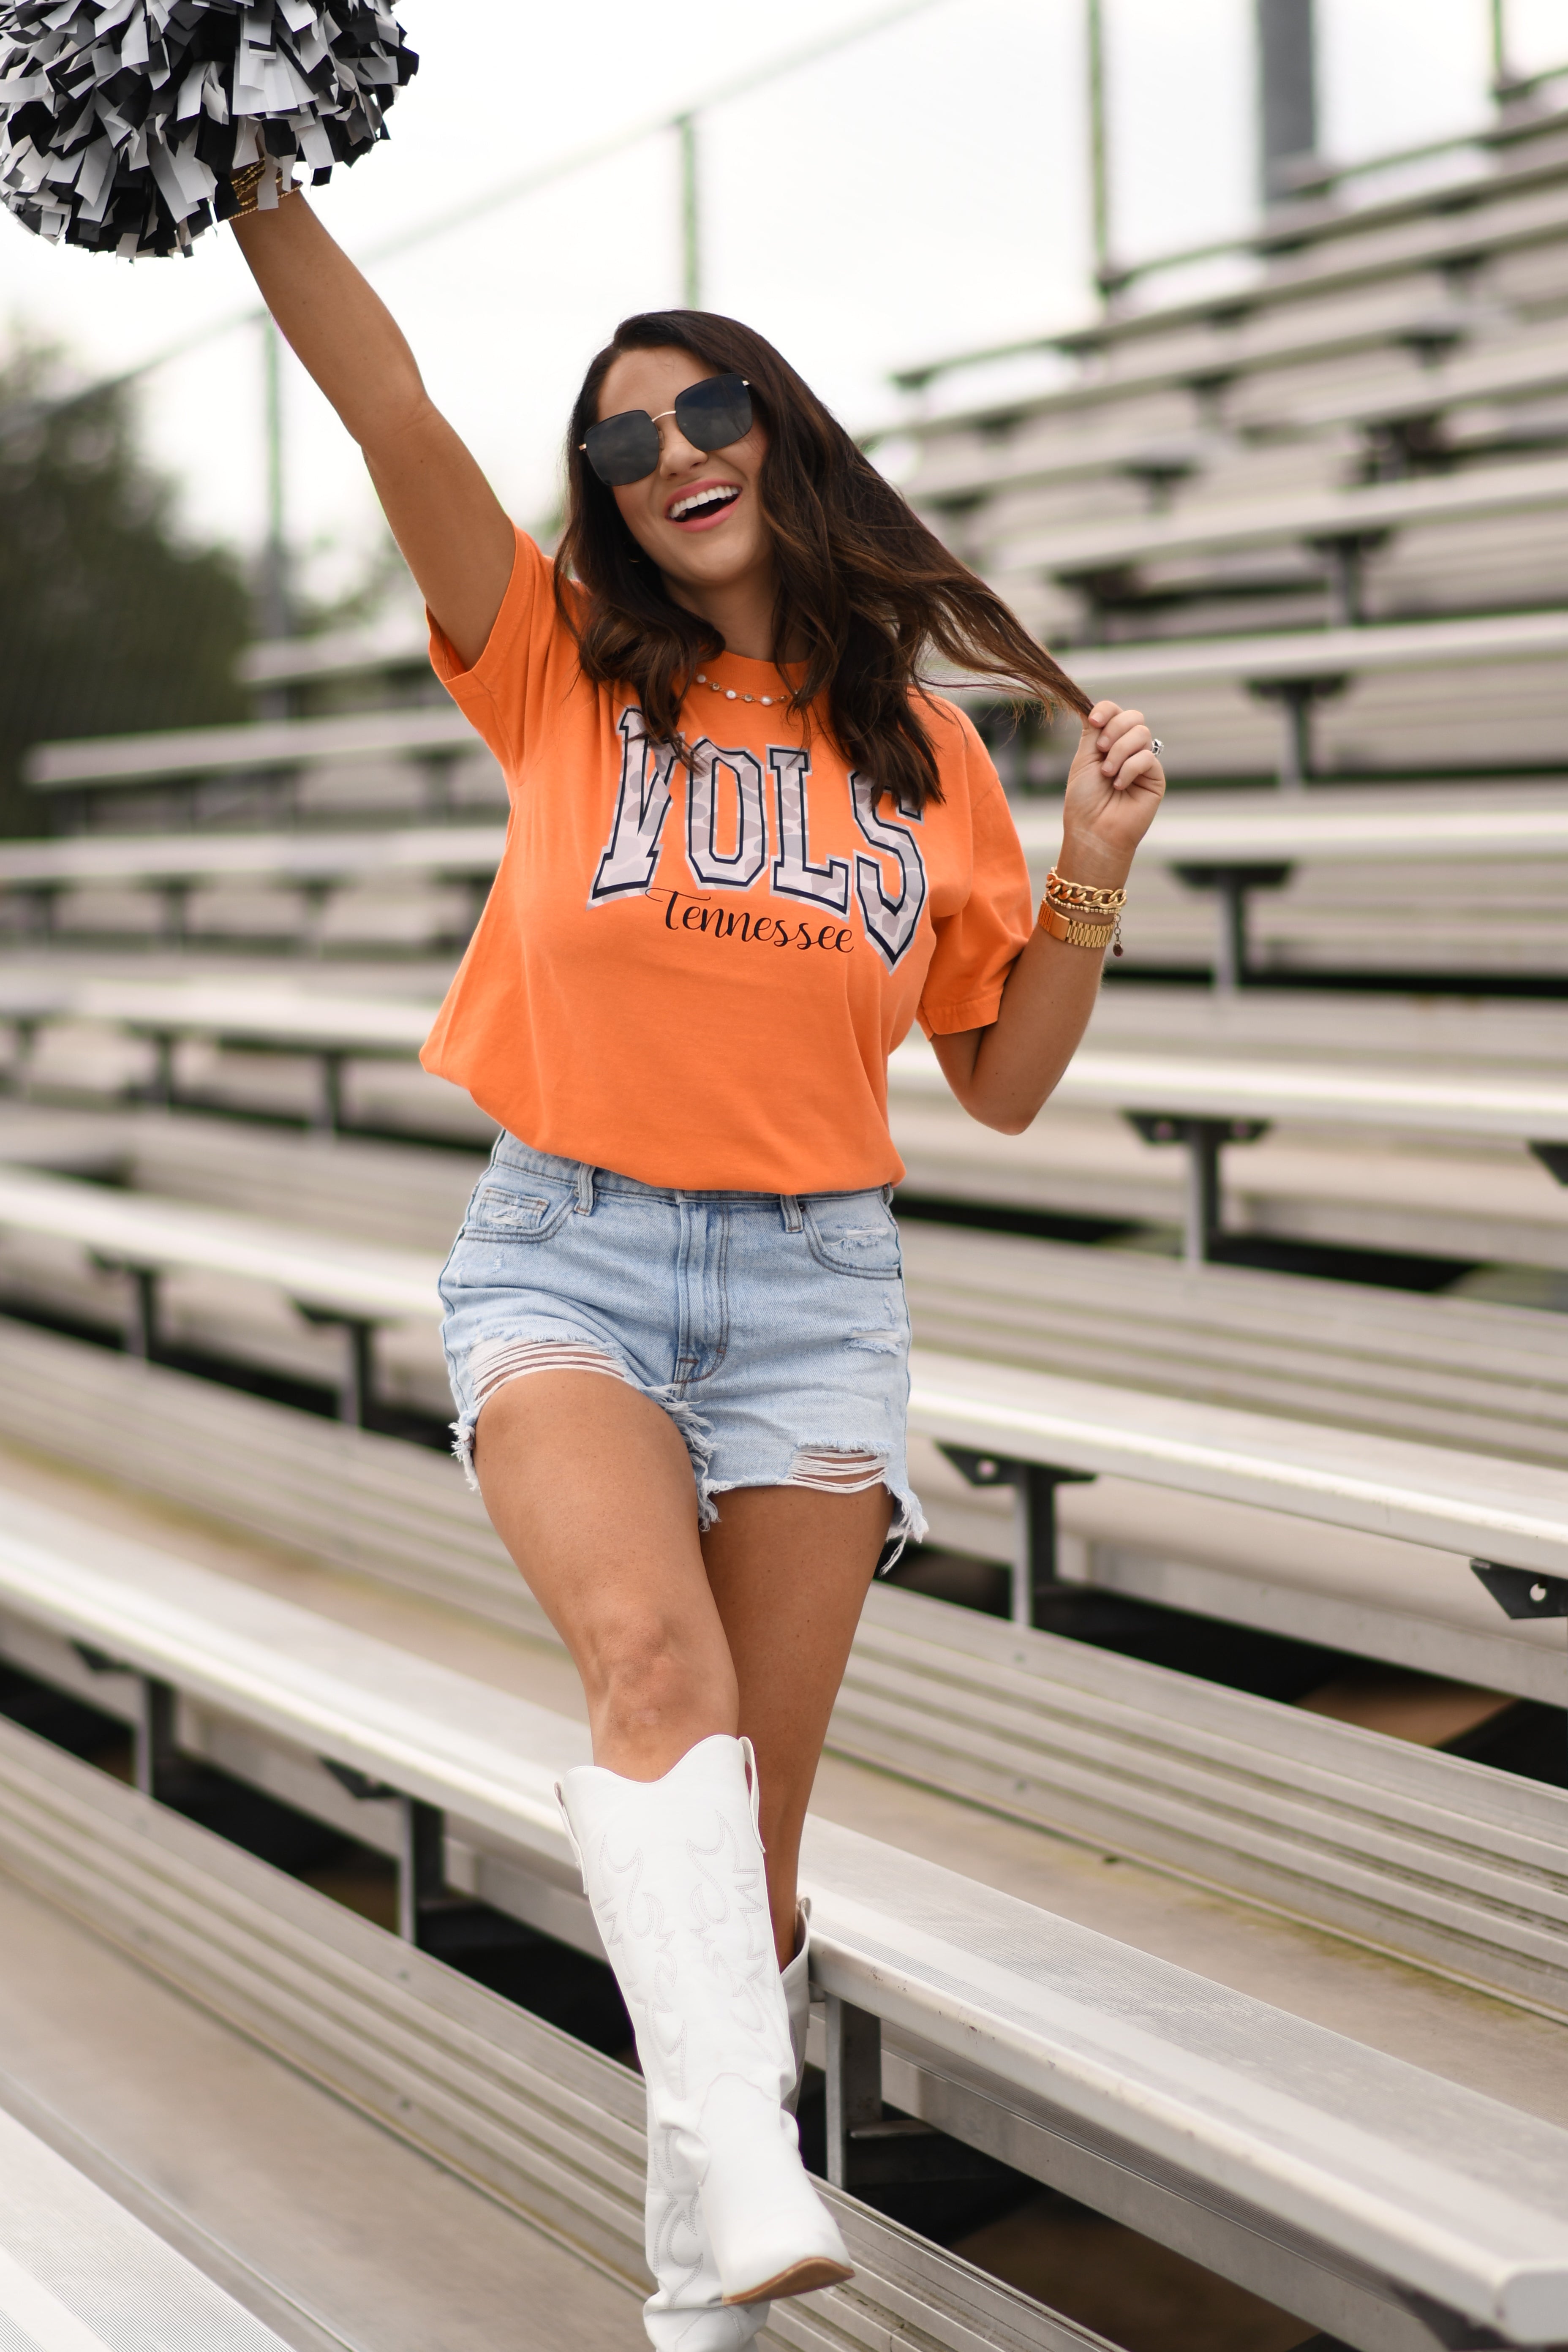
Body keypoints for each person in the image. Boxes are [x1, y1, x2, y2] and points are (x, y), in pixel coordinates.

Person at [230, 182, 1165, 2350]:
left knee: (746, 1866)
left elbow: (1006, 1082)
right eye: (623, 448)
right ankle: (751, 2172)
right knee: (655, 1687)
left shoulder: (926, 758)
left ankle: (703, 2306)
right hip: (568, 1256)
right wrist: (254, 173)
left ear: (782, 433)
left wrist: (1095, 870)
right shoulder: (553, 664)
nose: (669, 460)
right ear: (607, 508)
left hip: (819, 1299)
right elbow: (386, 415)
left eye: (705, 410)